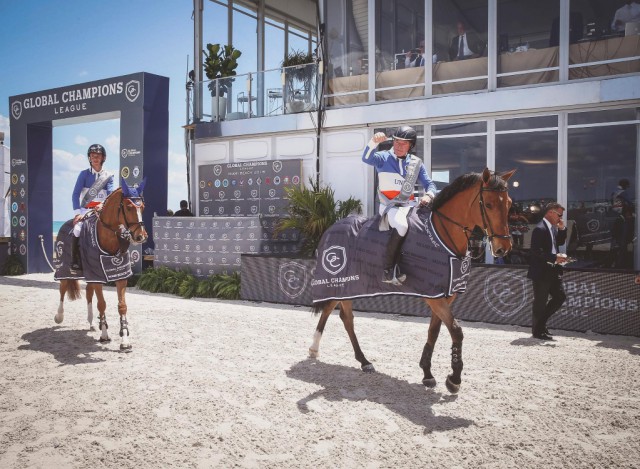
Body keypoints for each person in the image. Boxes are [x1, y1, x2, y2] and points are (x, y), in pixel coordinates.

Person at [362, 126, 436, 284]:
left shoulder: (416, 163)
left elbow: (430, 185)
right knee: (402, 226)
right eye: (396, 142)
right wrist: (373, 142)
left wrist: (429, 195)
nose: (398, 146)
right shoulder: (382, 157)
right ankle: (388, 270)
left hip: (410, 206)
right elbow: (366, 158)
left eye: (403, 143)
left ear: (411, 146)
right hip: (389, 206)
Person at [527, 202, 569, 340]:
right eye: (559, 215)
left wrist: (562, 229)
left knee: (560, 296)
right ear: (550, 212)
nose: (560, 218)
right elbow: (536, 251)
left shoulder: (553, 228)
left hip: (553, 270)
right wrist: (554, 257)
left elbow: (560, 243)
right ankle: (537, 331)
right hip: (541, 271)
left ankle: (541, 325)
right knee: (540, 302)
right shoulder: (539, 229)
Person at [70, 144, 114, 272]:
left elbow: (110, 194)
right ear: (89, 158)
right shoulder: (83, 174)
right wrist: (77, 213)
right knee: (77, 229)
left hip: (102, 210)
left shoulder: (108, 176)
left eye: (98, 156)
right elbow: (75, 194)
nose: (95, 158)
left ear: (103, 158)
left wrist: (103, 204)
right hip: (86, 210)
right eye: (92, 156)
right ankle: (75, 260)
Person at [610, 178, 635, 268]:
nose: (628, 188)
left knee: (616, 241)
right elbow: (630, 204)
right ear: (625, 185)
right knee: (623, 242)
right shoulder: (623, 193)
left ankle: (612, 262)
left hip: (615, 218)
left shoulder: (614, 192)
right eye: (627, 186)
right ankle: (621, 264)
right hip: (622, 219)